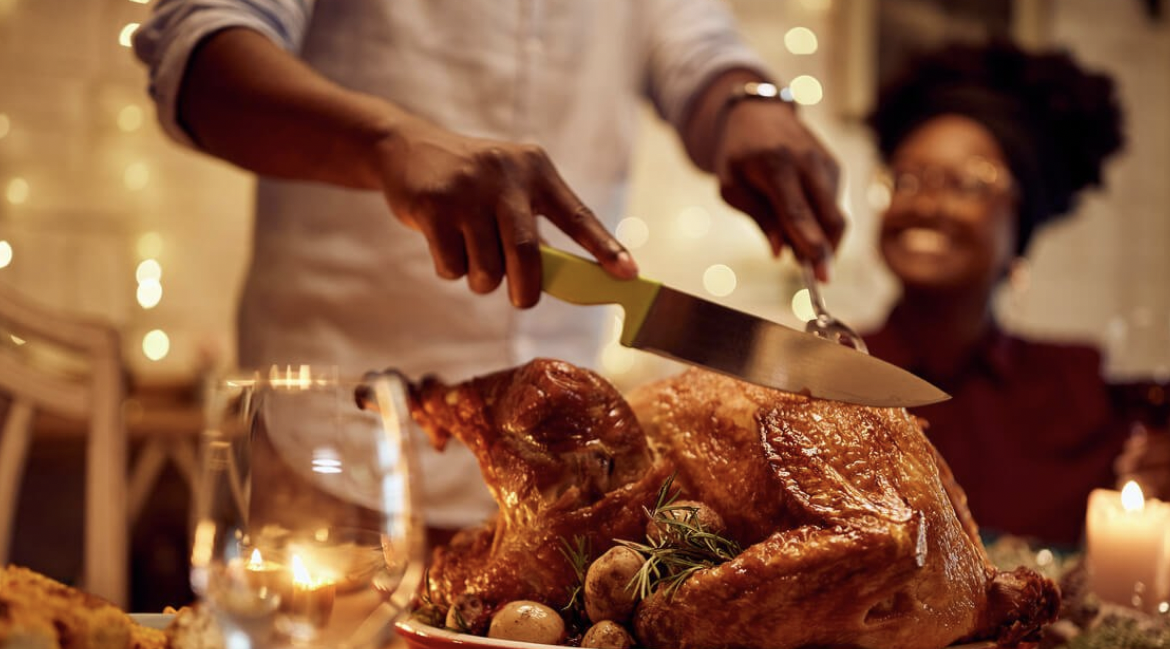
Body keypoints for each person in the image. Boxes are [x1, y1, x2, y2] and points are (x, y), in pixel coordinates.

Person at [133, 1, 845, 532]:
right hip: (334, 452)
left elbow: (698, 49)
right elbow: (197, 54)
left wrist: (750, 104)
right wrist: (388, 144)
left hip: (567, 487)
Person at [859, 39, 1170, 547]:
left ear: (1020, 227)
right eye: (907, 179)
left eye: (966, 183)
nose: (926, 203)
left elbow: (1134, 544)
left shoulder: (1088, 389)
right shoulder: (831, 373)